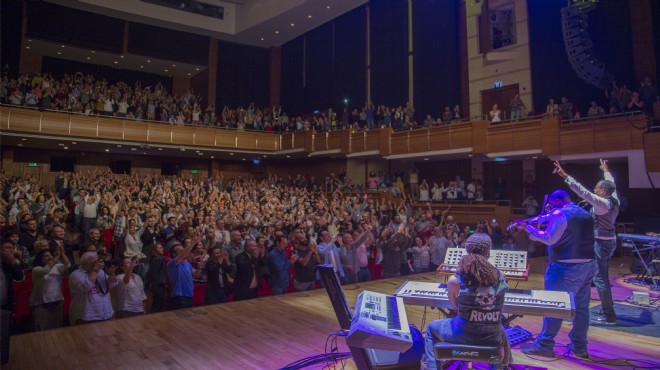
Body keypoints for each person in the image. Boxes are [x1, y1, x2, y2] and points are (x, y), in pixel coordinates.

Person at [519, 190, 597, 359]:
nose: (550, 209)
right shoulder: (585, 213)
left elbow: (549, 238)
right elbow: (549, 218)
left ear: (557, 202)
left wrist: (529, 228)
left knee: (554, 306)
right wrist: (539, 218)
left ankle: (544, 345)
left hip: (565, 267)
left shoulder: (560, 214)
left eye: (552, 205)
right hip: (589, 265)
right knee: (581, 308)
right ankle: (580, 346)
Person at [423, 233, 511, 370]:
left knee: (431, 327)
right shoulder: (501, 277)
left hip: (464, 334)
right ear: (488, 252)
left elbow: (455, 307)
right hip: (492, 336)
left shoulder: (456, 280)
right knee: (499, 329)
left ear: (467, 250)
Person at [553, 159, 619, 325]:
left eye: (597, 187)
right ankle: (607, 309)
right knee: (601, 276)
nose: (595, 189)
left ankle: (608, 314)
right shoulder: (613, 197)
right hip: (609, 241)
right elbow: (612, 182)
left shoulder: (602, 204)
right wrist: (606, 170)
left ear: (603, 191)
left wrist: (566, 177)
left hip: (601, 243)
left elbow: (584, 193)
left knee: (600, 278)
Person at [69, 251, 119, 325]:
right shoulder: (76, 275)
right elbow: (87, 287)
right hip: (87, 317)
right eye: (94, 262)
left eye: (97, 261)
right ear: (84, 263)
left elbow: (112, 284)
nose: (97, 264)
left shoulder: (100, 272)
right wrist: (95, 270)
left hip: (105, 314)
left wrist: (110, 272)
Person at [29, 245, 70, 330]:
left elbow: (68, 265)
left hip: (57, 301)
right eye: (46, 256)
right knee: (43, 328)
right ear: (41, 258)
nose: (49, 257)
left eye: (50, 255)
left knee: (57, 327)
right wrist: (56, 257)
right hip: (41, 304)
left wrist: (62, 254)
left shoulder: (57, 267)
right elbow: (45, 270)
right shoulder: (36, 269)